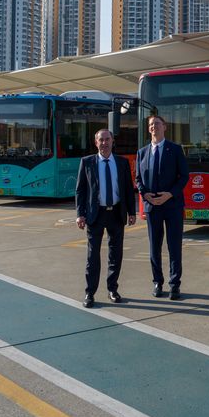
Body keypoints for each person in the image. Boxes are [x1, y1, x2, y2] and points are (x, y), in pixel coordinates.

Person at [75, 128, 136, 308]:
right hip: (96, 214)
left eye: (107, 139)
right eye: (101, 140)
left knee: (115, 254)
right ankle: (90, 293)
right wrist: (80, 214)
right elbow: (80, 190)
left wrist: (131, 212)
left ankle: (112, 289)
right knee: (93, 256)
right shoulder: (87, 162)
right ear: (96, 143)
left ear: (112, 141)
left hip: (116, 212)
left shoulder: (122, 162)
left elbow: (127, 189)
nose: (104, 143)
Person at [136, 114, 189, 300]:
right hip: (153, 207)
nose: (154, 127)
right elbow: (138, 179)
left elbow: (184, 176)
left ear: (164, 127)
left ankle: (175, 285)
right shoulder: (142, 153)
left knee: (174, 247)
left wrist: (170, 194)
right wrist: (145, 194)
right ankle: (157, 282)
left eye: (157, 124)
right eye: (151, 124)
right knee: (154, 248)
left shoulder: (174, 149)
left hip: (172, 205)